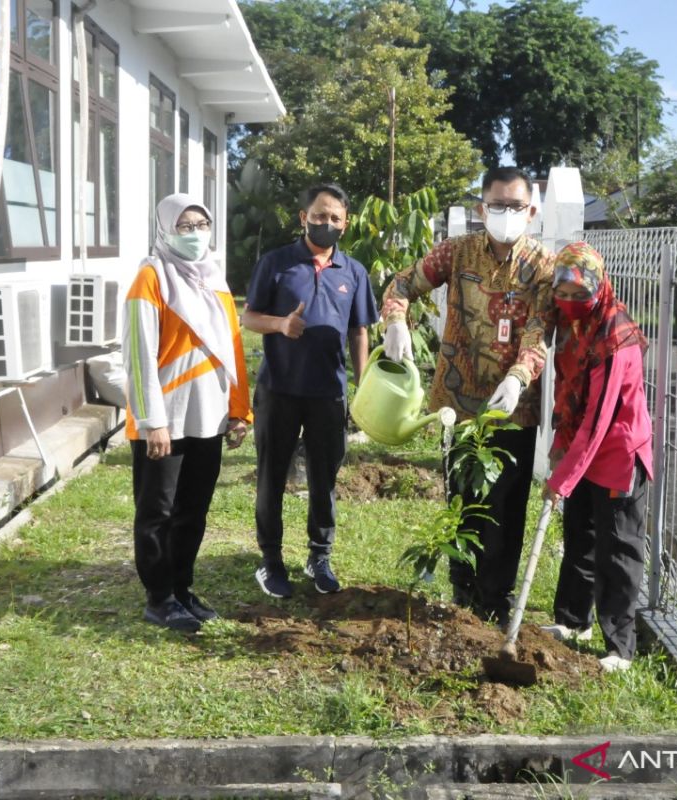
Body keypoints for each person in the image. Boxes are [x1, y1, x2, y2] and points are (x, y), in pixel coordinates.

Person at [381, 167, 555, 625]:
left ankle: (495, 599)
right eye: (497, 205)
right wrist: (396, 321)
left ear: (531, 211)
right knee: (461, 496)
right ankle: (463, 592)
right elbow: (402, 283)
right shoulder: (456, 253)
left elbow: (539, 329)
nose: (506, 213)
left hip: (512, 406)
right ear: (482, 209)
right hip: (457, 402)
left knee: (507, 503)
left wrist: (519, 377)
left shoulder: (542, 267)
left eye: (516, 206)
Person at [243, 183, 379, 598]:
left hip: (328, 393)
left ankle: (319, 557)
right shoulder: (277, 263)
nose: (327, 223)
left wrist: (362, 388)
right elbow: (248, 317)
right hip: (279, 389)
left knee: (324, 478)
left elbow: (359, 332)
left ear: (346, 223)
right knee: (272, 476)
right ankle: (271, 561)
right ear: (304, 218)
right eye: (319, 215)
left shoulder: (353, 272)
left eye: (335, 218)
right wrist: (281, 325)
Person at [123, 193, 252, 632]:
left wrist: (239, 410)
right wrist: (151, 421)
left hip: (208, 416)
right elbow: (138, 357)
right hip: (166, 418)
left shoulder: (215, 280)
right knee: (157, 510)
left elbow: (232, 348)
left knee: (193, 510)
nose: (195, 234)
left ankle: (182, 588)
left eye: (201, 224)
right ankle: (158, 597)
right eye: (184, 226)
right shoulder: (151, 278)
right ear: (164, 229)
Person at [541, 241, 652, 673]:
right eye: (562, 295)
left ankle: (620, 647)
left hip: (617, 455)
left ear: (598, 286)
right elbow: (567, 390)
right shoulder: (573, 326)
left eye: (578, 295)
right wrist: (559, 448)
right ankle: (572, 621)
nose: (569, 303)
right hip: (582, 451)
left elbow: (599, 419)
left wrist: (561, 479)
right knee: (580, 536)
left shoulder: (614, 337)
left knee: (617, 551)